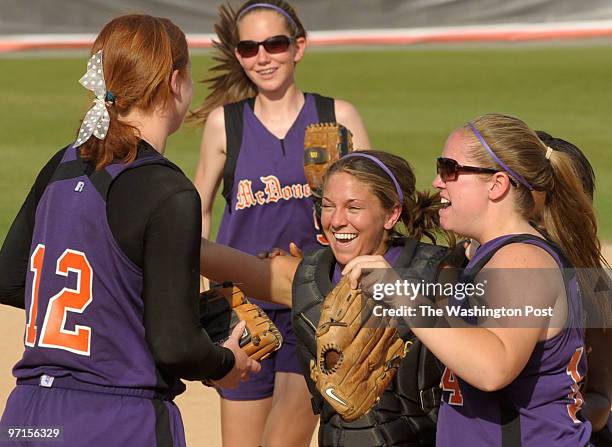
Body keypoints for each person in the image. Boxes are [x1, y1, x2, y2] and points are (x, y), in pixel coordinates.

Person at [0, 14, 259, 447]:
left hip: (27, 418)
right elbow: (177, 347)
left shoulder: (62, 164)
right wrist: (224, 363)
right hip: (115, 422)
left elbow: (9, 279)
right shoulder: (169, 190)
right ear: (176, 82)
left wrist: (132, 302)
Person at [343, 114, 609, 446]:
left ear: (496, 185)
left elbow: (493, 368)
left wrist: (401, 295)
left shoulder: (521, 263)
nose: (438, 182)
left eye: (449, 169)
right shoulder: (491, 259)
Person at [190, 1, 370, 445]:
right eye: (249, 47)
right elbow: (198, 209)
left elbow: (374, 204)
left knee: (282, 442)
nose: (263, 56)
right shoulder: (224, 124)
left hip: (312, 302)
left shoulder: (337, 117)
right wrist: (194, 284)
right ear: (238, 55)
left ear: (298, 48)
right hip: (242, 306)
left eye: (274, 43)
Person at [201, 150, 454, 446]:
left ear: (391, 214)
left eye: (353, 207)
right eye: (328, 206)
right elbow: (210, 255)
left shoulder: (439, 273)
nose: (336, 220)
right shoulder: (310, 276)